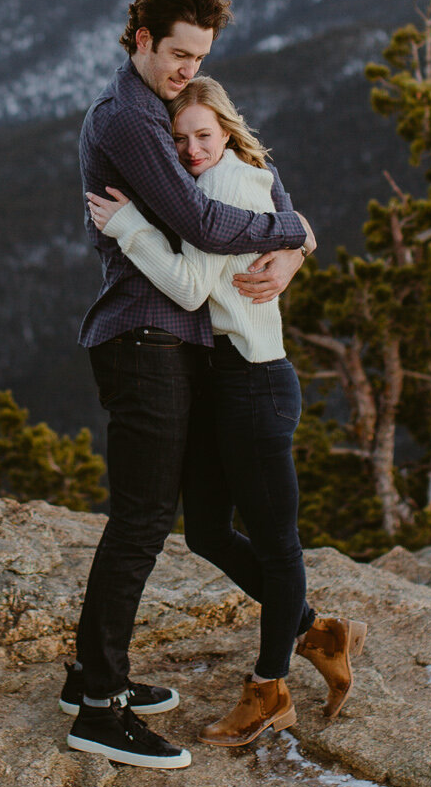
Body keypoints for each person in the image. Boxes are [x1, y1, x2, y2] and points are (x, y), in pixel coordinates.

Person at [65, 0, 312, 772]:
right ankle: (98, 707)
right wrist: (294, 227)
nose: (185, 70)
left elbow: (219, 203)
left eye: (198, 57)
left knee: (152, 520)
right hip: (143, 338)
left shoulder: (154, 111)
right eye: (176, 53)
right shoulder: (132, 120)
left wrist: (297, 246)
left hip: (167, 343)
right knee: (141, 523)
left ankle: (90, 681)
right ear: (140, 39)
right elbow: (204, 225)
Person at [87, 74, 367, 749]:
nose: (188, 150)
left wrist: (125, 225)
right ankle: (315, 629)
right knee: (208, 530)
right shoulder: (218, 180)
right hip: (220, 385)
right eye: (178, 139)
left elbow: (187, 287)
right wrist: (299, 237)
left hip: (253, 385)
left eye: (202, 135)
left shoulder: (226, 184)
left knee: (275, 541)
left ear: (228, 129)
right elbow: (285, 222)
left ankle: (270, 690)